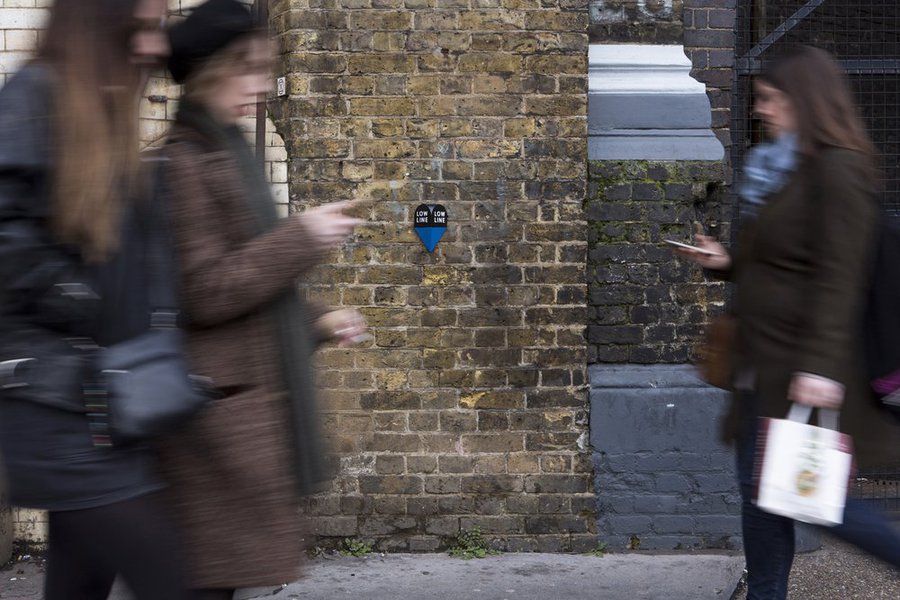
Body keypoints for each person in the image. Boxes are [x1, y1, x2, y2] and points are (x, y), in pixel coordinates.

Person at [155, 1, 366, 597]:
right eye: (247, 69)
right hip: (213, 424)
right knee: (206, 584)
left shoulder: (226, 152)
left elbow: (252, 276)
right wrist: (302, 237)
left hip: (239, 416)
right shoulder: (182, 162)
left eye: (264, 69)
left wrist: (319, 318)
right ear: (210, 72)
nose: (261, 85)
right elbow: (206, 290)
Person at [676, 46, 900, 599]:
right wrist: (726, 263)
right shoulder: (787, 169)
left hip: (800, 364)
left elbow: (841, 277)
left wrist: (820, 367)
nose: (761, 110)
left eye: (771, 99)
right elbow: (781, 263)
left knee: (817, 499)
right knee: (762, 493)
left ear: (805, 100)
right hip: (763, 360)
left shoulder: (838, 170)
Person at [0, 1, 192, 599]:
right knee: (175, 585)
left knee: (78, 585)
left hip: (100, 404)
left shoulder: (97, 112)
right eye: (142, 28)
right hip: (55, 405)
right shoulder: (35, 95)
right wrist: (80, 299)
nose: (154, 47)